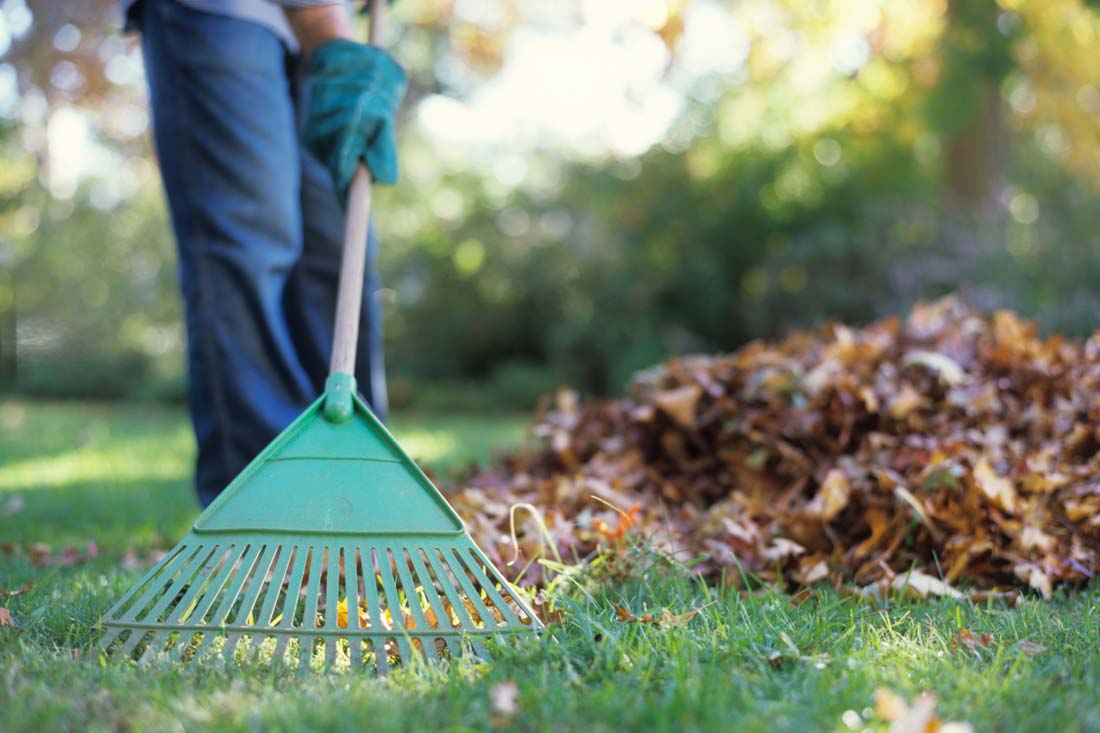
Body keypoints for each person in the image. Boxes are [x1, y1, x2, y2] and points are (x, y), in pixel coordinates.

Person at [121, 0, 406, 506]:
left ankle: (357, 494)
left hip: (323, 28)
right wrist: (325, 22)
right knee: (250, 238)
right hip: (223, 13)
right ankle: (266, 503)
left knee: (338, 248)